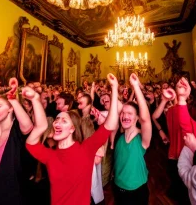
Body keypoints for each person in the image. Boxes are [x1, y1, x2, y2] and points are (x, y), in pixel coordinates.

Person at [25, 73, 119, 205]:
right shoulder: (51, 156)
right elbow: (30, 144)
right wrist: (35, 99)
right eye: (57, 120)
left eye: (64, 121)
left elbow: (110, 124)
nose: (57, 123)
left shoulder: (86, 149)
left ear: (72, 128)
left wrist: (114, 88)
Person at [113, 73, 152, 205]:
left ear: (136, 118)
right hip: (118, 187)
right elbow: (115, 107)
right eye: (123, 113)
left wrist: (136, 86)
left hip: (137, 191)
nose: (125, 116)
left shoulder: (142, 138)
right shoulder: (119, 136)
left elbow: (146, 119)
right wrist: (114, 87)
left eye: (130, 113)